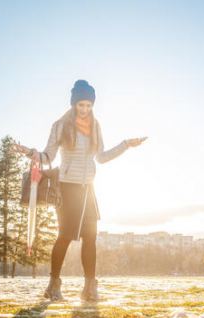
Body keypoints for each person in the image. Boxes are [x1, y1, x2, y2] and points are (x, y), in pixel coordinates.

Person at [15, 79, 145, 302]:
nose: (85, 109)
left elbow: (101, 158)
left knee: (91, 238)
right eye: (81, 104)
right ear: (73, 104)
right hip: (67, 188)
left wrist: (126, 145)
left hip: (88, 189)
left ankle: (89, 288)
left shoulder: (96, 126)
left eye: (89, 105)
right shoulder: (60, 125)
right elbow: (48, 156)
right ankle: (53, 285)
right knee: (65, 236)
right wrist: (30, 153)